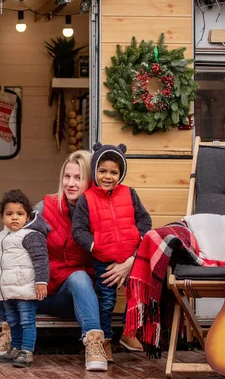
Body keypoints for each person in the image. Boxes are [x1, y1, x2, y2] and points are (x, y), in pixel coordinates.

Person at [0, 150, 112, 371]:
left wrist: (127, 263)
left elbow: (121, 242)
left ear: (90, 180)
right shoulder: (46, 206)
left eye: (78, 178)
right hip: (34, 292)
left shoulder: (99, 211)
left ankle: (94, 344)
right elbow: (9, 237)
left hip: (68, 297)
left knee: (78, 276)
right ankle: (10, 333)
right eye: (67, 177)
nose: (70, 183)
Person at [72, 143, 152, 363]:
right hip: (104, 261)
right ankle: (106, 340)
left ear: (121, 173)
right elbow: (78, 229)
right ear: (95, 171)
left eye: (114, 172)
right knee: (106, 302)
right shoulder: (86, 199)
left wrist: (139, 240)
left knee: (137, 296)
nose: (108, 176)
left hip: (132, 258)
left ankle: (129, 332)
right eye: (102, 171)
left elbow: (145, 219)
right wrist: (95, 245)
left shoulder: (130, 193)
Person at [0, 189, 50, 368]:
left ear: (27, 216)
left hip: (26, 288)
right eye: (9, 214)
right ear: (2, 218)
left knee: (26, 320)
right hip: (9, 290)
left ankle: (26, 350)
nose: (14, 218)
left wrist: (41, 282)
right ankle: (15, 348)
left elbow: (41, 259)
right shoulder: (3, 235)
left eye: (20, 214)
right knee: (12, 321)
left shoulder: (30, 235)